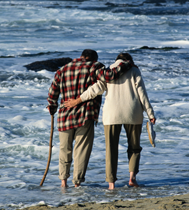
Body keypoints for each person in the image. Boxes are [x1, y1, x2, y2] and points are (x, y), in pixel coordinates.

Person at [64, 53, 156, 189]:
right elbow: (142, 93)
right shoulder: (135, 70)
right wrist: (150, 113)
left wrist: (77, 100)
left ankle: (111, 183)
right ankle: (132, 179)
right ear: (128, 60)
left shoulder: (107, 72)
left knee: (111, 149)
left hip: (112, 114)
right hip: (133, 113)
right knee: (134, 147)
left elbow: (95, 89)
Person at [47, 49, 132, 188]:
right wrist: (126, 63)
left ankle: (63, 181)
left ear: (82, 56)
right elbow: (110, 76)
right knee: (82, 150)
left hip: (64, 116)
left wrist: (52, 106)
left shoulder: (62, 70)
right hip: (85, 115)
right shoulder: (95, 67)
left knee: (64, 149)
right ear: (92, 58)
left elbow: (53, 92)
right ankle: (77, 183)